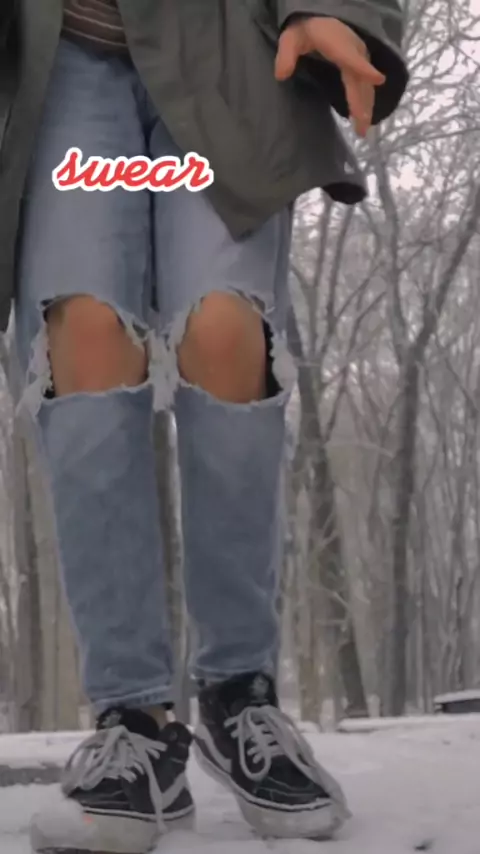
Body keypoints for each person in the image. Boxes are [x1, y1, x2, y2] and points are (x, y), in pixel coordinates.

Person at [0, 1, 407, 851]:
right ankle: (134, 724)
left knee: (225, 327)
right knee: (84, 331)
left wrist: (330, 9)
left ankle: (239, 695)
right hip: (56, 55)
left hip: (223, 46)